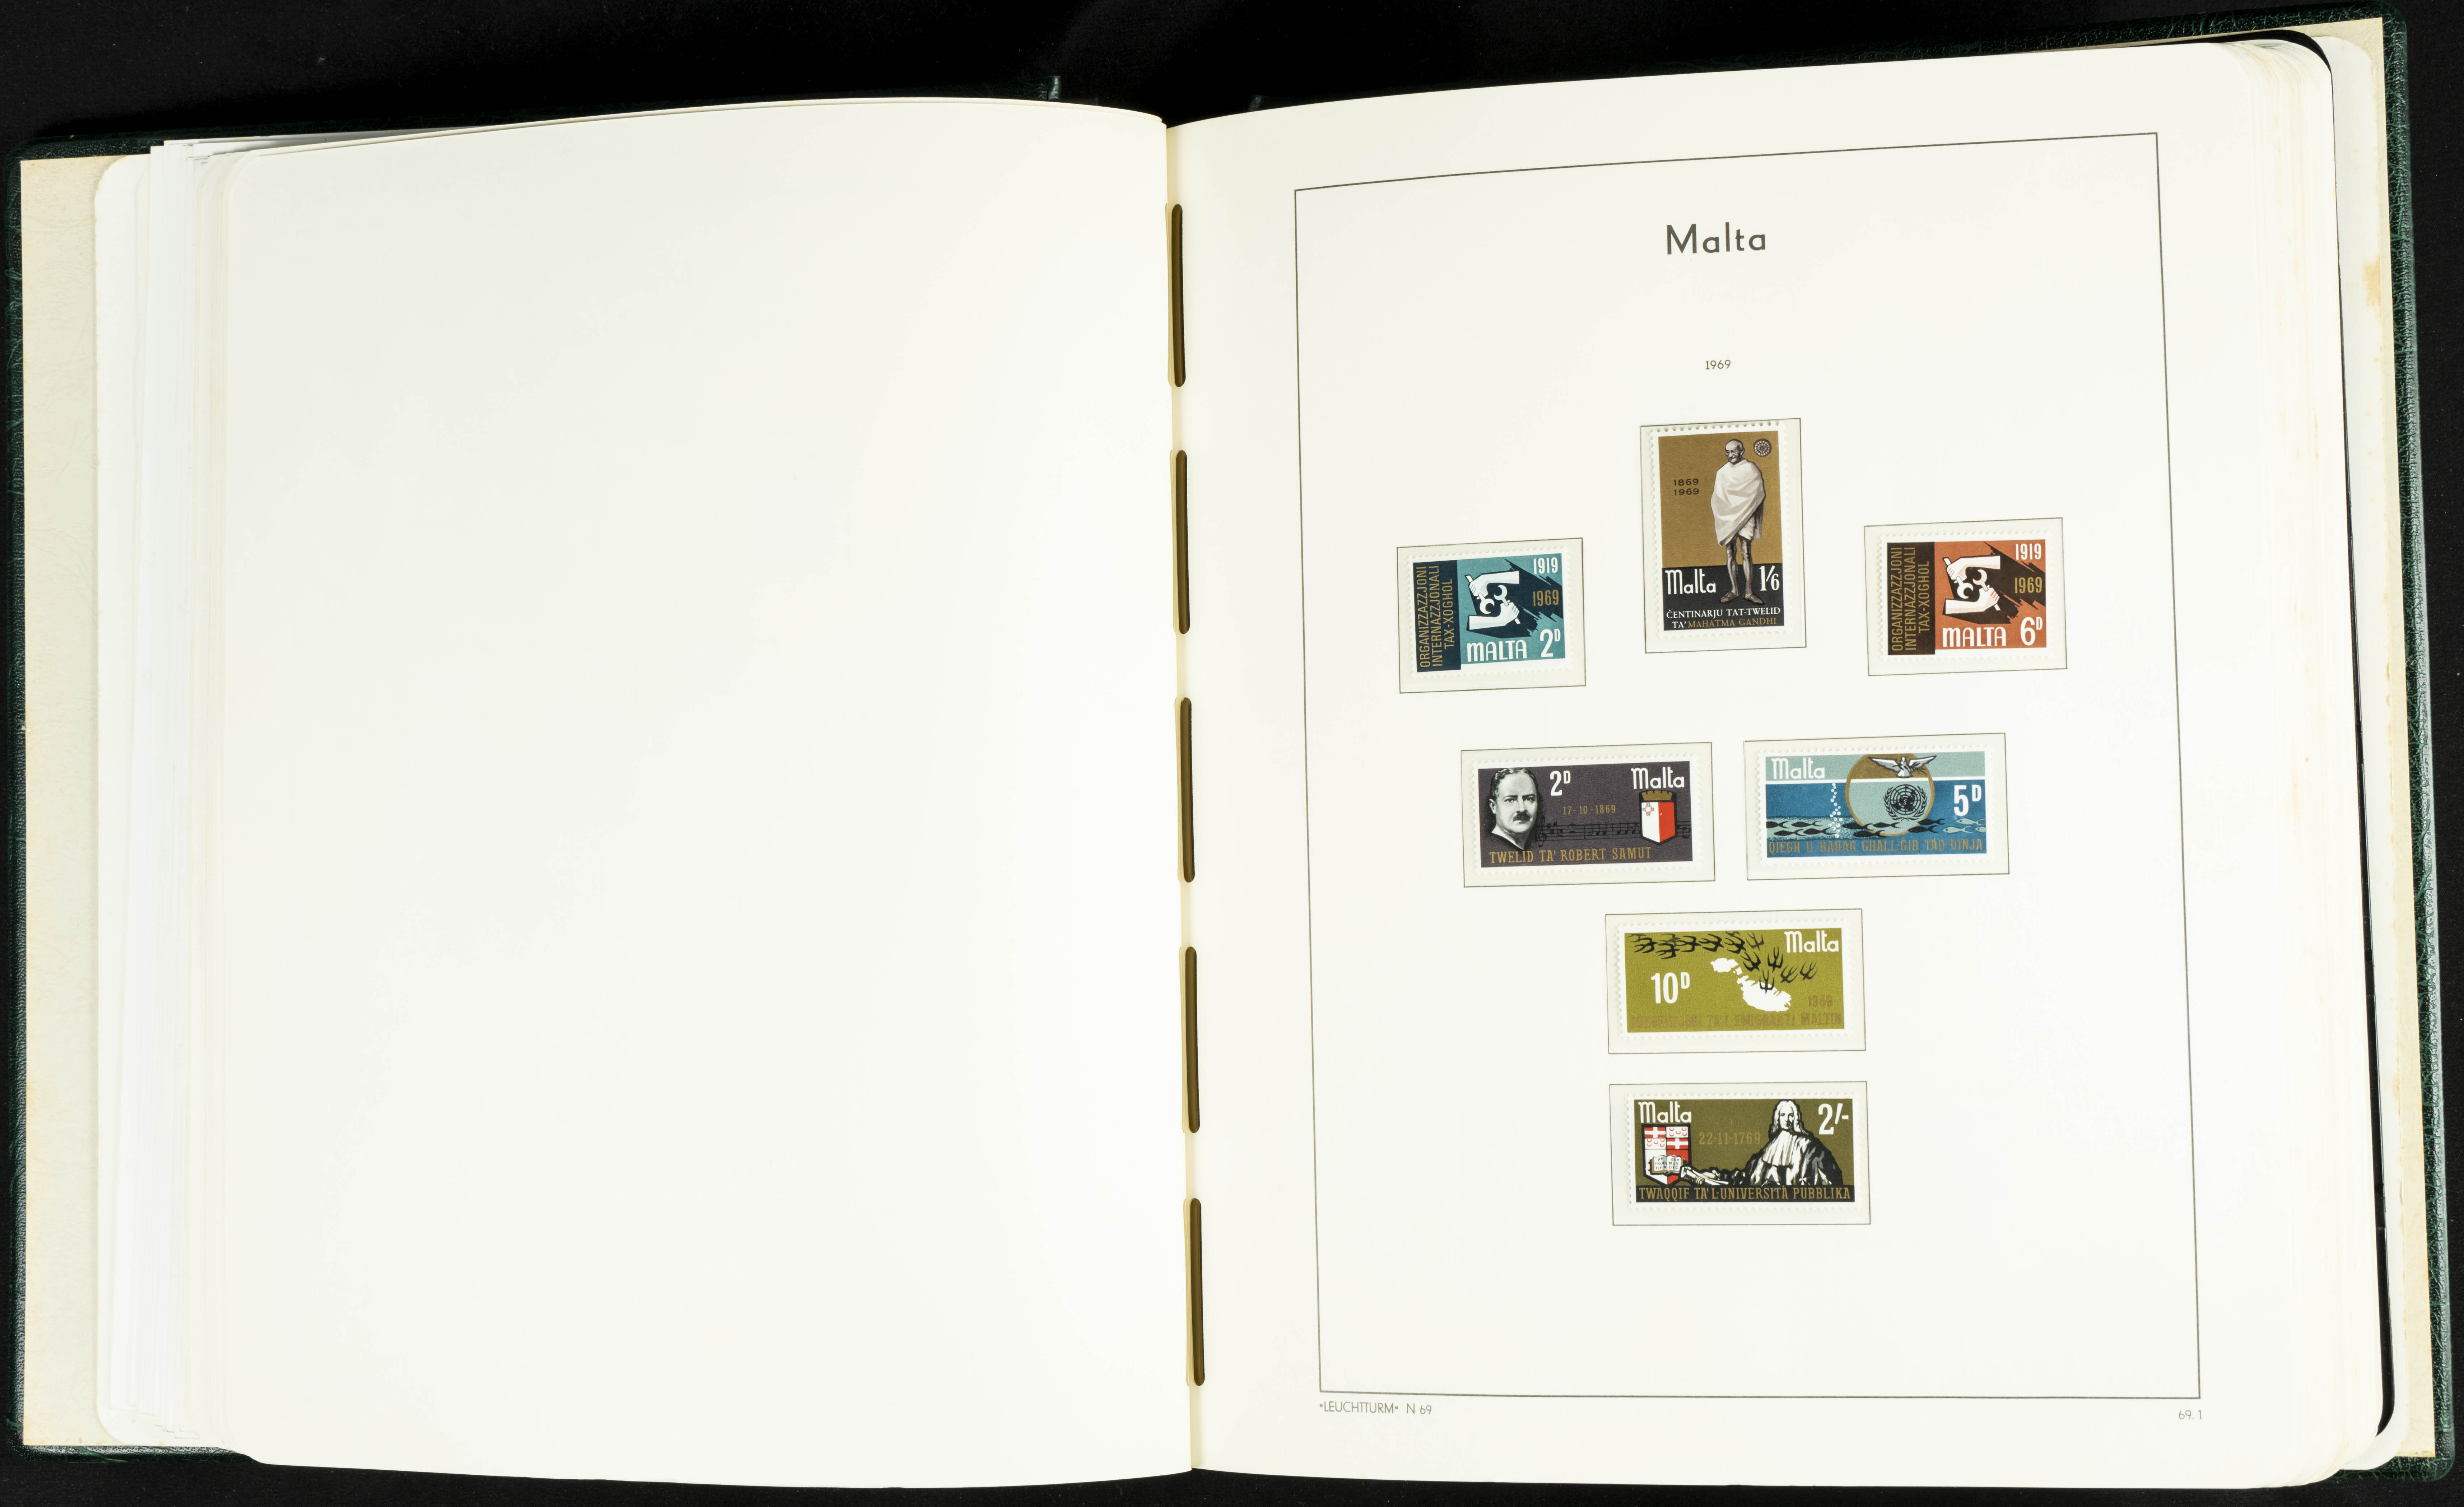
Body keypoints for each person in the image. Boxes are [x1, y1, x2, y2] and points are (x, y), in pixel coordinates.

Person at [1678, 1098, 1844, 1187]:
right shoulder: (1768, 1150)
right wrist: (1713, 1177)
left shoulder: (1812, 1150)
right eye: (1783, 1115)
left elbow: (1831, 1181)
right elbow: (1744, 1178)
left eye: (1791, 1115)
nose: (1787, 1120)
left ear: (1797, 1118)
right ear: (1777, 1119)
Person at [1706, 438, 1768, 605]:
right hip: (1728, 518)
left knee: (1746, 551)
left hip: (1746, 515)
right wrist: (1727, 514)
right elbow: (1717, 498)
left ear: (1742, 451)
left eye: (1734, 451)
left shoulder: (1752, 469)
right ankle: (1735, 590)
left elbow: (1759, 493)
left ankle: (1749, 592)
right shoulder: (1722, 472)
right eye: (1728, 452)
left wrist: (1745, 509)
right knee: (1730, 552)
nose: (1731, 455)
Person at [1485, 767, 1541, 852]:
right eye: (1510, 800)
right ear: (1494, 807)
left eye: (1529, 799)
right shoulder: (1488, 848)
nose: (1522, 809)